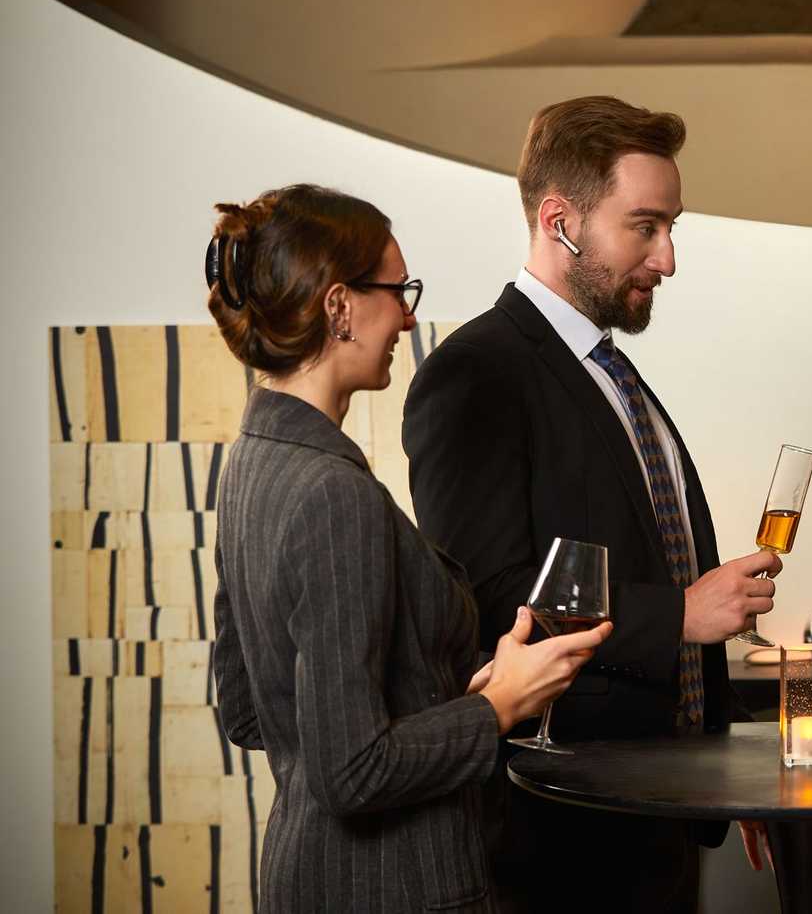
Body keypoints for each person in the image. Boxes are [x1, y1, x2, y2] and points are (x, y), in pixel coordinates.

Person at [402, 96, 777, 911]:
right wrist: (677, 615)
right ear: (559, 220)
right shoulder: (476, 373)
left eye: (672, 227)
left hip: (661, 823)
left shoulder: (612, 371)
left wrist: (733, 764)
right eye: (644, 227)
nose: (668, 258)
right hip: (560, 838)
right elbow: (490, 602)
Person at [208, 184, 611, 914]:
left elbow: (245, 712)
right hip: (396, 888)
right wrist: (500, 707)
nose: (409, 314)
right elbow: (353, 771)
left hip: (304, 880)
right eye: (398, 290)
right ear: (338, 306)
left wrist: (458, 687)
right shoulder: (333, 493)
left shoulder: (250, 461)